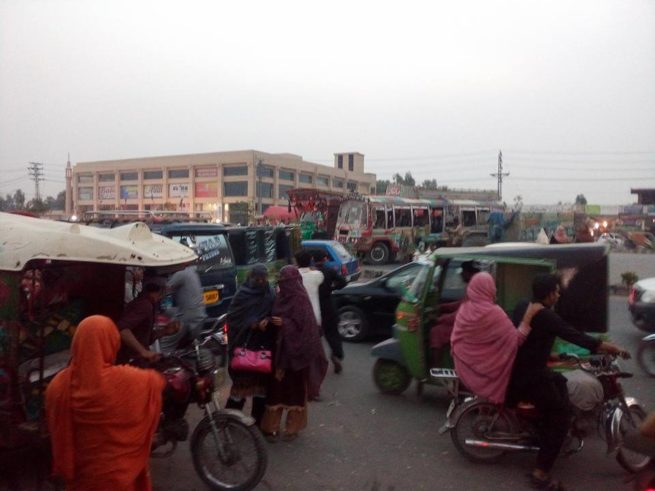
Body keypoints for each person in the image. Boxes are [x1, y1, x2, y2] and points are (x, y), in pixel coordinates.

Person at [507, 273, 628, 490]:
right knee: (560, 418)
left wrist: (554, 357)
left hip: (528, 369)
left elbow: (533, 341)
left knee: (561, 383)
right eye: (556, 290)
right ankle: (540, 473)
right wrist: (614, 348)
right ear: (549, 294)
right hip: (531, 376)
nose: (559, 294)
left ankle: (544, 430)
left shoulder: (524, 306)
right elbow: (577, 337)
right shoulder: (546, 316)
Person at [45, 315, 165, 490]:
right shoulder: (128, 379)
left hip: (83, 479)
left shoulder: (58, 386)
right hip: (121, 478)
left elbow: (58, 433)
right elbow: (156, 382)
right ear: (112, 343)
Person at [450, 272, 542, 404]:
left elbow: (457, 338)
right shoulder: (493, 313)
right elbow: (517, 340)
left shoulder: (464, 309)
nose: (495, 289)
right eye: (493, 286)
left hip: (464, 367)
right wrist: (529, 315)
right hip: (487, 372)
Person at [260, 266, 328, 442]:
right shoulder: (279, 298)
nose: (283, 285)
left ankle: (292, 428)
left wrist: (285, 323)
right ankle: (271, 428)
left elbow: (307, 331)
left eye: (285, 282)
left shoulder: (301, 300)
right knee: (276, 392)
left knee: (295, 393)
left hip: (296, 357)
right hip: (279, 354)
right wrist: (269, 322)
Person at [225, 264, 276, 426]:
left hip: (263, 347)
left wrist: (268, 320)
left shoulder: (270, 293)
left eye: (263, 278)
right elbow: (233, 318)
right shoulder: (242, 295)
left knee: (261, 389)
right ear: (251, 277)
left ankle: (257, 422)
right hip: (244, 346)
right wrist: (252, 324)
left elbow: (274, 313)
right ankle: (229, 421)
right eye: (257, 278)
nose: (260, 281)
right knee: (240, 388)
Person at [115, 275, 179, 364]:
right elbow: (122, 329)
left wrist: (165, 331)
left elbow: (144, 338)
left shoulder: (148, 304)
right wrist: (143, 351)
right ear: (161, 290)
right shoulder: (145, 305)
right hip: (131, 361)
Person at [429, 260, 480, 366]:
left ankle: (436, 367)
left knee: (436, 331)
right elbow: (462, 304)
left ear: (468, 273)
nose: (461, 274)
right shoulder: (474, 285)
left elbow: (461, 315)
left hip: (470, 326)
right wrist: (443, 307)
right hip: (471, 323)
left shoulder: (475, 286)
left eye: (463, 271)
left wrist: (439, 319)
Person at [312, 250, 347, 374]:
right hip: (328, 305)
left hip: (314, 306)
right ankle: (336, 355)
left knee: (314, 336)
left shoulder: (312, 273)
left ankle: (315, 362)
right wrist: (332, 288)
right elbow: (343, 282)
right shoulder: (329, 271)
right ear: (325, 258)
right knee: (333, 333)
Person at [158, 264, 206, 353]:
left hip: (188, 316)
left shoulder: (181, 274)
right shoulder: (191, 272)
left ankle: (164, 360)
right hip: (199, 313)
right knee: (168, 312)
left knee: (165, 344)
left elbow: (165, 290)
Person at [294, 250, 324, 327]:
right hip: (314, 316)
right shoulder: (318, 274)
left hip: (297, 318)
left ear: (296, 262)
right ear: (311, 261)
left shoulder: (292, 277)